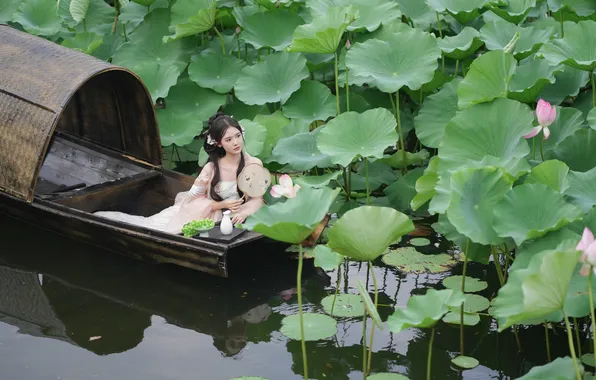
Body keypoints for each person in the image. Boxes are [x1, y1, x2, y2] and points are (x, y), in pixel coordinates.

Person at [94, 112, 264, 234]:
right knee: (158, 228)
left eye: (237, 136)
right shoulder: (211, 169)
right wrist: (220, 205)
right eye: (228, 139)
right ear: (219, 144)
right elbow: (192, 199)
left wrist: (243, 212)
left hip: (239, 218)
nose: (235, 142)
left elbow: (257, 198)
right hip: (210, 216)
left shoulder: (254, 164)